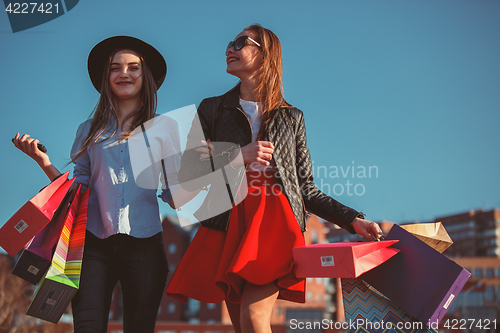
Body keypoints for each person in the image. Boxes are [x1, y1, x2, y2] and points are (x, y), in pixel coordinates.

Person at [165, 24, 384, 333]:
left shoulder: (291, 117)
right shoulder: (212, 109)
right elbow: (189, 170)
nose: (230, 48)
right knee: (242, 325)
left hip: (274, 224)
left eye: (241, 43)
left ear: (265, 55)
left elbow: (305, 187)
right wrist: (240, 154)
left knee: (254, 319)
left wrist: (353, 220)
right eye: (230, 42)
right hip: (227, 220)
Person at [12, 36, 193, 333]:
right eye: (115, 68)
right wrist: (42, 161)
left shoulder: (164, 128)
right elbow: (76, 189)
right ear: (106, 78)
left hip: (146, 246)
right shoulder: (88, 130)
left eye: (133, 67)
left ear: (145, 76)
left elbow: (176, 197)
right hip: (92, 245)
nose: (124, 73)